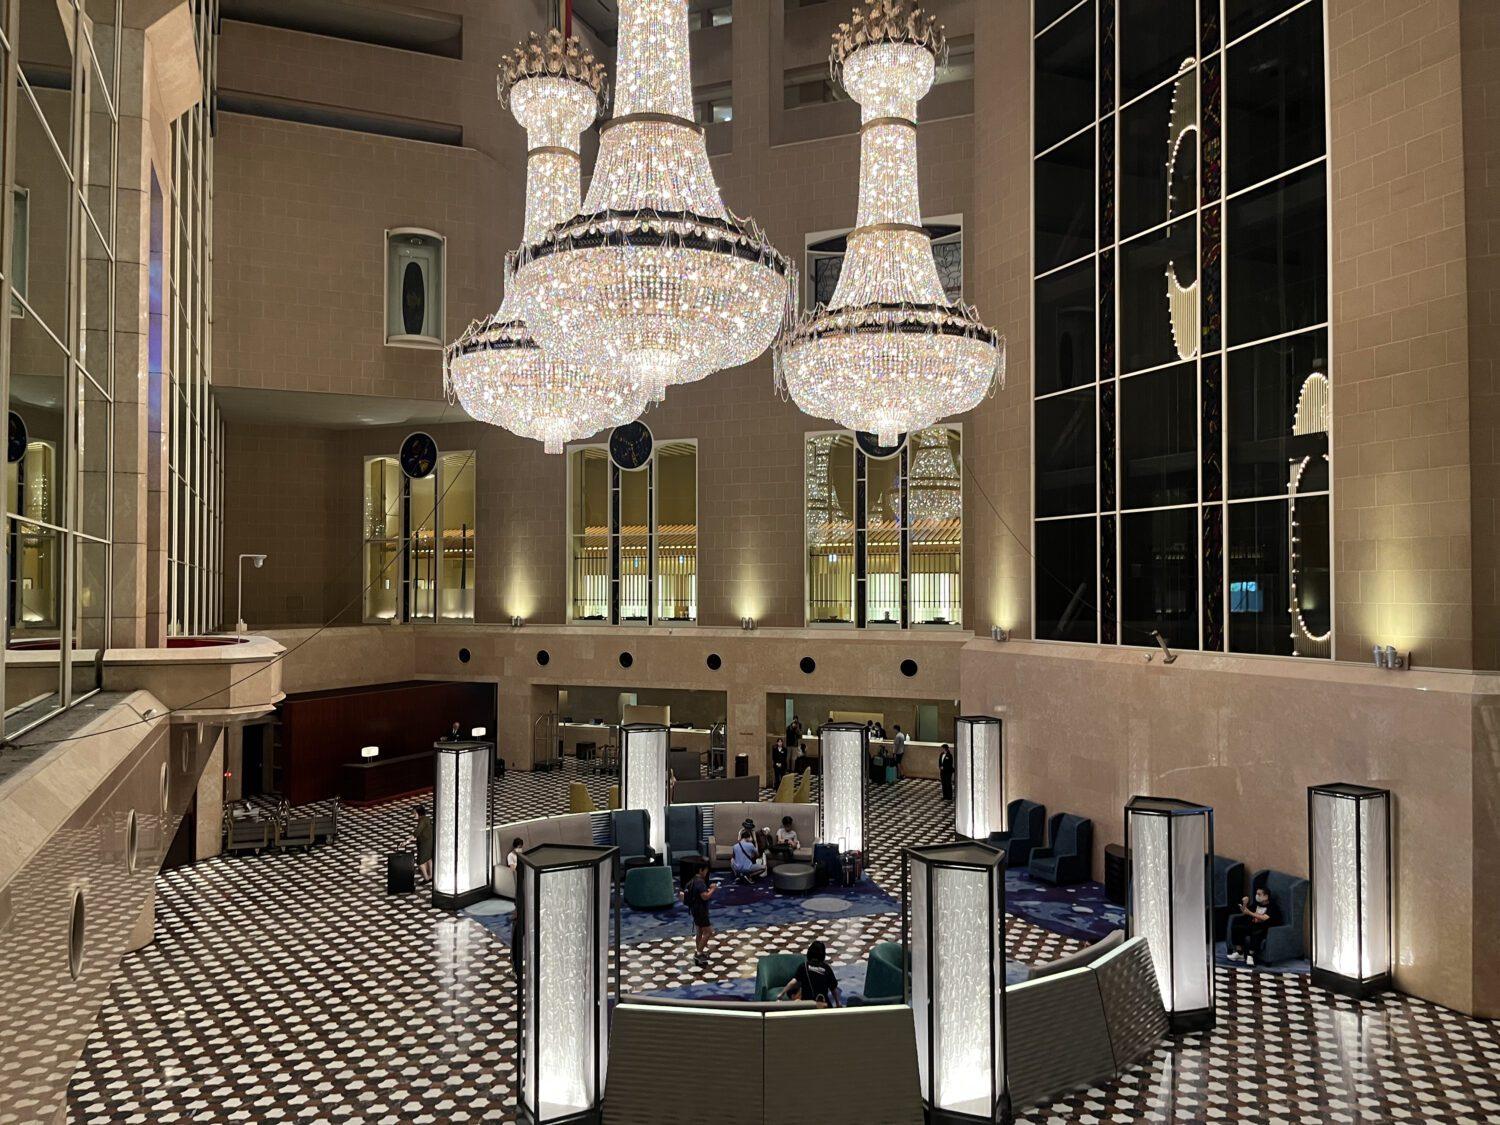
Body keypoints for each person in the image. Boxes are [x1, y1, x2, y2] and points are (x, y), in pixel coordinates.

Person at [1227, 885, 1281, 965]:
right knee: (1236, 927)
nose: (1257, 896)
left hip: (1265, 929)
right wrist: (1245, 903)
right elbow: (1245, 911)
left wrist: (1250, 913)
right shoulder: (1256, 904)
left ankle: (1250, 955)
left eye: (1259, 894)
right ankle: (1240, 953)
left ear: (1266, 896)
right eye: (1256, 894)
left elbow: (1264, 918)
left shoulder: (1272, 906)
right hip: (1252, 925)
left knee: (1256, 931)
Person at [778, 940, 841, 1007]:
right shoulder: (826, 968)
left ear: (809, 952)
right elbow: (833, 989)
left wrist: (781, 993)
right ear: (823, 954)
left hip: (808, 1005)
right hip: (824, 1005)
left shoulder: (804, 966)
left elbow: (793, 982)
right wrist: (837, 1002)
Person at [684, 860, 717, 968]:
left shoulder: (693, 881)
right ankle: (699, 953)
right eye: (706, 871)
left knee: (699, 931)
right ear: (701, 870)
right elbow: (705, 896)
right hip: (701, 911)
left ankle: (699, 951)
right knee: (708, 932)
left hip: (694, 910)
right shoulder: (700, 882)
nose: (707, 873)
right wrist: (713, 889)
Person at [413, 805, 434, 883]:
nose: (414, 815)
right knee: (429, 859)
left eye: (415, 813)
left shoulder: (422, 820)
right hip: (428, 841)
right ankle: (431, 876)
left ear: (419, 813)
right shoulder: (426, 819)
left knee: (420, 862)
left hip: (424, 843)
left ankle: (426, 878)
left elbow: (417, 831)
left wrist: (407, 841)